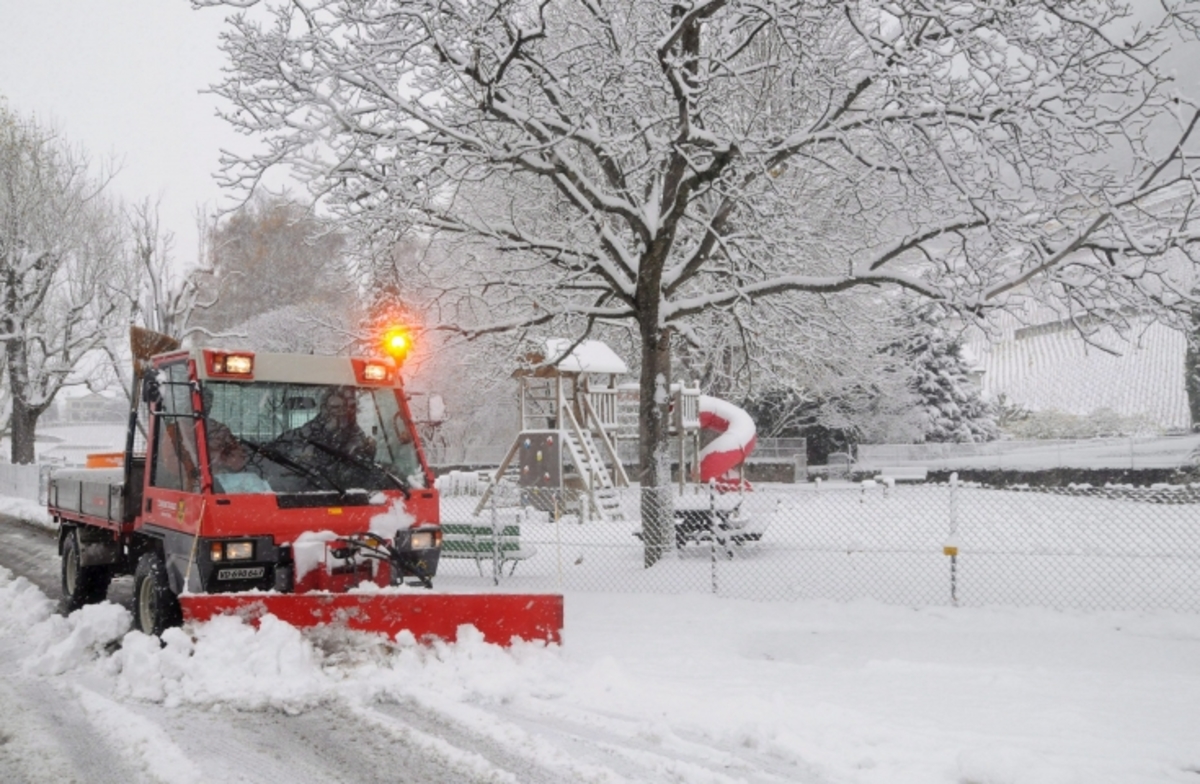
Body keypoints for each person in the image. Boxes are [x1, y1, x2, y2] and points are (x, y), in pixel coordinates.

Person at [279, 386, 376, 464]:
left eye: (343, 407)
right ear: (324, 408)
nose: (340, 411)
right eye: (335, 407)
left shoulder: (355, 431)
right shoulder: (308, 430)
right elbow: (288, 451)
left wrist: (368, 449)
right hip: (312, 478)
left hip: (346, 480)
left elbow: (363, 458)